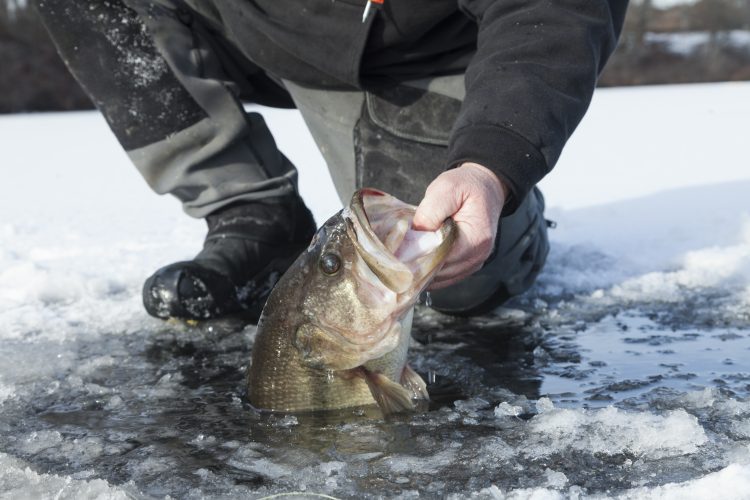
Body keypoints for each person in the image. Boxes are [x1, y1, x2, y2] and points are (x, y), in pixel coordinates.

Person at [34, 0, 627, 320]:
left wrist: (492, 164)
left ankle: (509, 218)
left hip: (433, 61)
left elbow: (554, 11)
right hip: (259, 33)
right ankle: (251, 215)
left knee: (441, 281)